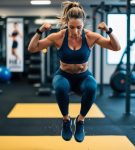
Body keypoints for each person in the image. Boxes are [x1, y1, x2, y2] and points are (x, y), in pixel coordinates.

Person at [28, 1, 121, 142]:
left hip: (83, 76)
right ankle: (66, 121)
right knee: (60, 87)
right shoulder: (59, 36)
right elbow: (32, 48)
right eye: (72, 27)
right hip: (63, 75)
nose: (75, 31)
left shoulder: (90, 36)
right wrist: (39, 31)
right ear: (66, 23)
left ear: (83, 24)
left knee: (92, 86)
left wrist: (108, 30)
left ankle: (80, 121)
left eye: (79, 27)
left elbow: (116, 47)